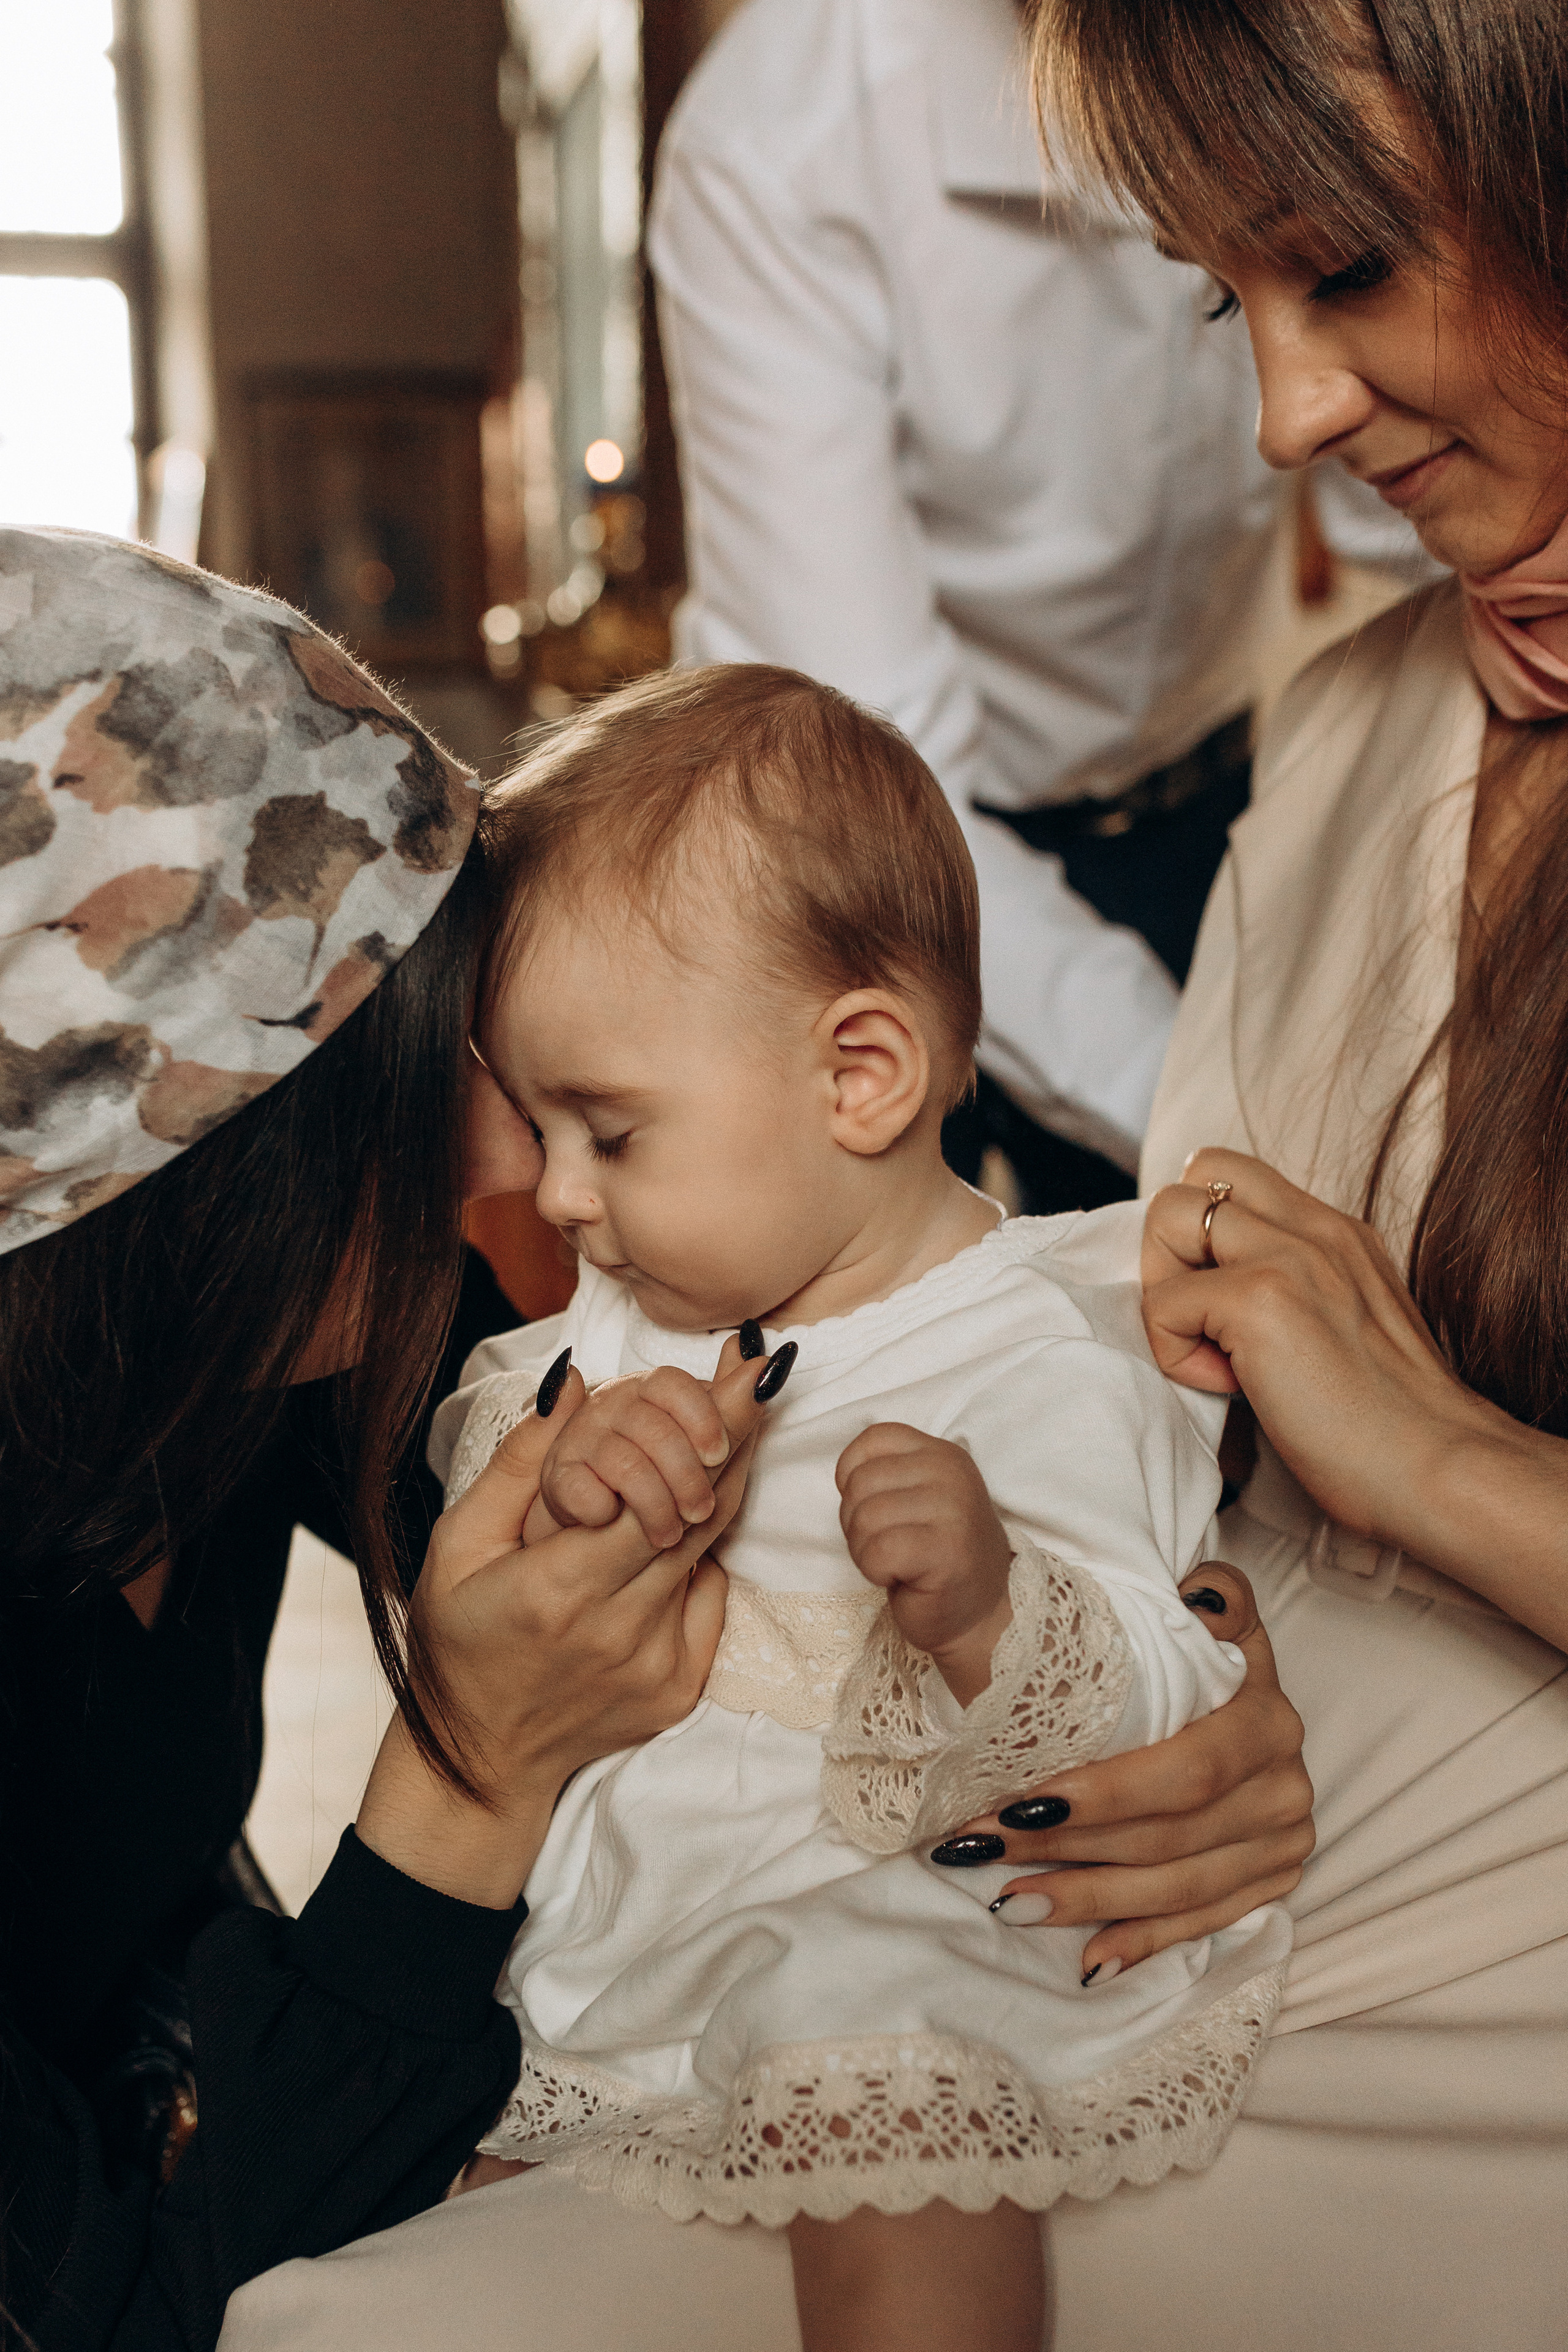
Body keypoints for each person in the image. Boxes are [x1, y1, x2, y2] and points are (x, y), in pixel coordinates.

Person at [221, 0, 1568, 2343]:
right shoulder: (1359, 744)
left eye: (1345, 266)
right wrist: (1207, 1675)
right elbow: (1188, 1456)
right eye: (1216, 306)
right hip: (1209, 1871)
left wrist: (1436, 1459)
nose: (1285, 423)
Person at [0, 529, 1307, 2352]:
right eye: (402, 1099)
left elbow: (1025, 1501)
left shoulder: (245, 1347)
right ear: (165, 1172)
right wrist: (472, 1777)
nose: (509, 1181)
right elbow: (124, 2319)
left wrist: (1176, 1677)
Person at [420, 665, 1291, 2352]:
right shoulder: (617, 1323)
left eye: (606, 1129)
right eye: (540, 1127)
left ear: (863, 1075)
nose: (555, 1194)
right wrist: (566, 1492)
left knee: (886, 2063)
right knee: (489, 2239)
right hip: (637, 1935)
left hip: (911, 1910)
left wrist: (981, 1602)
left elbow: (1156, 1684)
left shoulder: (1046, 1339)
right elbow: (480, 1530)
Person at [647, 0, 1427, 1213]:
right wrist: (1234, 1129)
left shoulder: (1314, 40)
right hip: (889, 852)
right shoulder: (777, 138)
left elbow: (1418, 490)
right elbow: (875, 760)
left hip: (1205, 810)